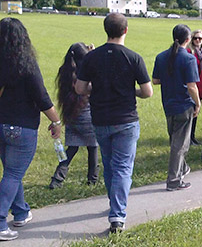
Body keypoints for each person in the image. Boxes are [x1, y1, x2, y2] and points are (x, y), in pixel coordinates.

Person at [75, 13, 153, 233]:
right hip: (126, 119)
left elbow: (80, 89)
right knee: (122, 168)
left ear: (106, 30)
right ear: (126, 30)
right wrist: (132, 90)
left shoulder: (91, 57)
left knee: (109, 165)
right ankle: (117, 215)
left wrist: (96, 89)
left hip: (100, 118)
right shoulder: (133, 57)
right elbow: (147, 92)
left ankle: (114, 203)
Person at [0, 18, 62, 241]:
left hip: (1, 125)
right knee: (13, 174)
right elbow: (42, 97)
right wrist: (56, 122)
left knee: (11, 172)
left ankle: (21, 212)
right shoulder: (25, 63)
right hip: (21, 127)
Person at [152, 24, 201, 191]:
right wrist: (198, 103)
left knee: (175, 140)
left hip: (168, 103)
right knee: (180, 145)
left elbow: (156, 80)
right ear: (188, 39)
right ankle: (174, 180)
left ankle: (182, 168)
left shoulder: (161, 57)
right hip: (184, 104)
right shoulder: (188, 58)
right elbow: (191, 85)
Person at [49, 42, 99, 190]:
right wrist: (93, 54)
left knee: (71, 149)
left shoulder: (65, 71)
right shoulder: (86, 71)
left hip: (71, 115)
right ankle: (92, 179)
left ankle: (57, 179)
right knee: (93, 147)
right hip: (87, 115)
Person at [186, 30, 202, 146]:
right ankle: (189, 137)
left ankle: (192, 136)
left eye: (200, 38)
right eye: (195, 38)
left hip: (201, 86)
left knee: (196, 112)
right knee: (192, 112)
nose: (198, 40)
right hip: (193, 85)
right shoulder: (190, 52)